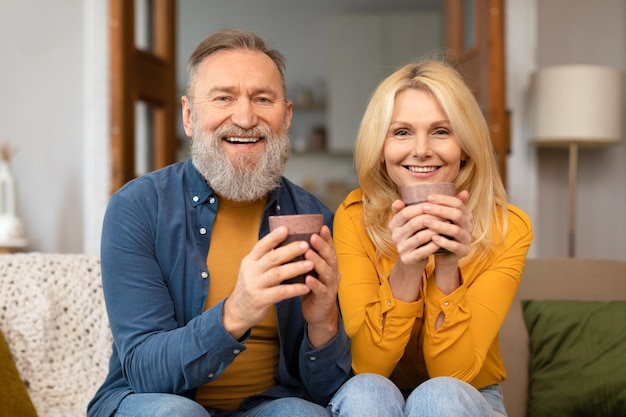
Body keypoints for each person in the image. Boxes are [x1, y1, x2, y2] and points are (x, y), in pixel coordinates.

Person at [87, 28, 352, 417]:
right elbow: (144, 370)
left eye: (263, 99)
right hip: (154, 404)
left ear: (287, 116)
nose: (245, 118)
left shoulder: (317, 218)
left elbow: (325, 390)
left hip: (269, 405)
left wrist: (324, 323)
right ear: (189, 116)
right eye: (223, 98)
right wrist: (236, 312)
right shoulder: (138, 208)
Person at [328, 60, 533, 416]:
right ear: (380, 147)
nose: (421, 149)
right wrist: (407, 268)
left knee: (438, 396)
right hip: (376, 392)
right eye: (402, 132)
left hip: (465, 396)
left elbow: (452, 375)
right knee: (366, 391)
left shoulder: (508, 229)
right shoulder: (353, 218)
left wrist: (448, 267)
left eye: (441, 131)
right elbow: (367, 364)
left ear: (466, 145)